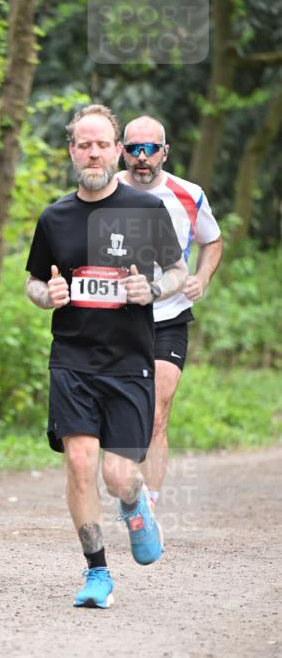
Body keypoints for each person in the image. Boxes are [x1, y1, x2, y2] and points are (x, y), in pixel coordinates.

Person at [25, 104, 187, 609]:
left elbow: (178, 271)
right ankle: (97, 571)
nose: (93, 153)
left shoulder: (144, 209)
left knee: (118, 476)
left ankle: (135, 505)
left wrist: (152, 290)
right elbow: (33, 282)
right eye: (84, 145)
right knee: (79, 463)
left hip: (129, 362)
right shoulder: (54, 217)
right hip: (72, 358)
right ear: (72, 152)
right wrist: (46, 295)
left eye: (102, 145)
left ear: (117, 150)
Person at [118, 116, 222, 507]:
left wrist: (203, 276)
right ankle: (124, 484)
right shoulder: (104, 192)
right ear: (122, 151)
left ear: (165, 151)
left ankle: (148, 508)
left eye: (150, 149)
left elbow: (213, 241)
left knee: (158, 413)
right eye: (134, 149)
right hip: (116, 318)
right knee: (121, 413)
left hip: (169, 316)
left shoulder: (189, 194)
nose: (142, 157)